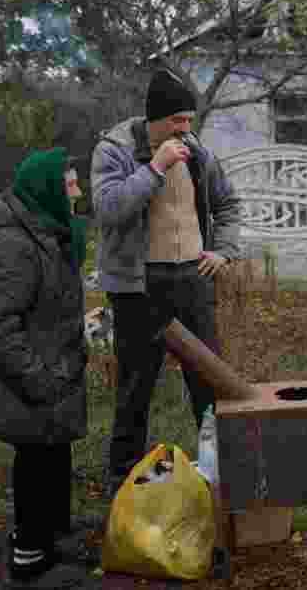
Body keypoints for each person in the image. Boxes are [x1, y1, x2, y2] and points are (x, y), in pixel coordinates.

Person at [91, 67, 242, 499]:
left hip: (192, 278)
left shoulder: (196, 152)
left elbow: (229, 201)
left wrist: (224, 251)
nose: (185, 130)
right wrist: (155, 167)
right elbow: (109, 208)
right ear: (155, 118)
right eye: (177, 121)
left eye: (189, 120)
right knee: (136, 385)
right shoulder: (115, 150)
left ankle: (220, 475)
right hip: (140, 285)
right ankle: (120, 484)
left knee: (208, 381)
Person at [0, 148, 90, 588]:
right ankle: (28, 556)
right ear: (47, 189)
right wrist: (37, 379)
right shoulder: (13, 243)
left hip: (53, 369)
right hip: (30, 375)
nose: (79, 190)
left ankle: (52, 538)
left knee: (54, 453)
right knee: (36, 458)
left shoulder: (47, 231)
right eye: (70, 183)